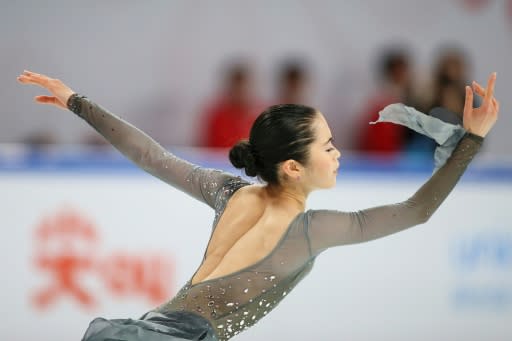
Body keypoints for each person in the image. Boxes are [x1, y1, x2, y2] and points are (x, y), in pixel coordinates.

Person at [17, 70, 499, 341]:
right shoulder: (313, 229)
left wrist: (78, 102)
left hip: (145, 329)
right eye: (327, 146)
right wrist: (471, 140)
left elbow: (151, 156)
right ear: (292, 167)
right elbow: (417, 211)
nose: (338, 154)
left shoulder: (227, 191)